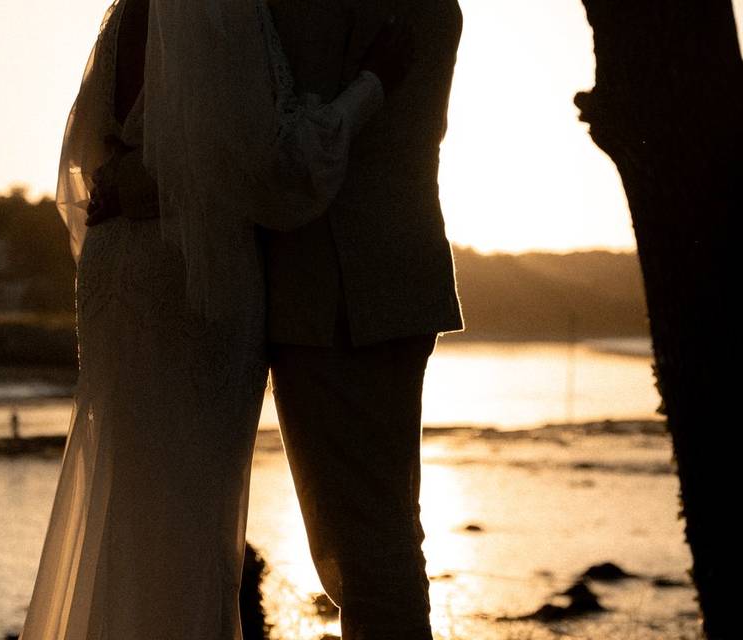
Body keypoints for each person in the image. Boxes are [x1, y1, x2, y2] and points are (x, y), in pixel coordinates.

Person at [18, 0, 412, 637]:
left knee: (131, 513)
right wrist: (369, 89)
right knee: (191, 525)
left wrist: (145, 177)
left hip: (119, 266)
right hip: (189, 284)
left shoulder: (129, 11)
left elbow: (98, 154)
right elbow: (278, 168)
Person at [262, 0, 466, 638]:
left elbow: (295, 140)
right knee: (388, 528)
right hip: (396, 286)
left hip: (335, 294)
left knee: (365, 543)